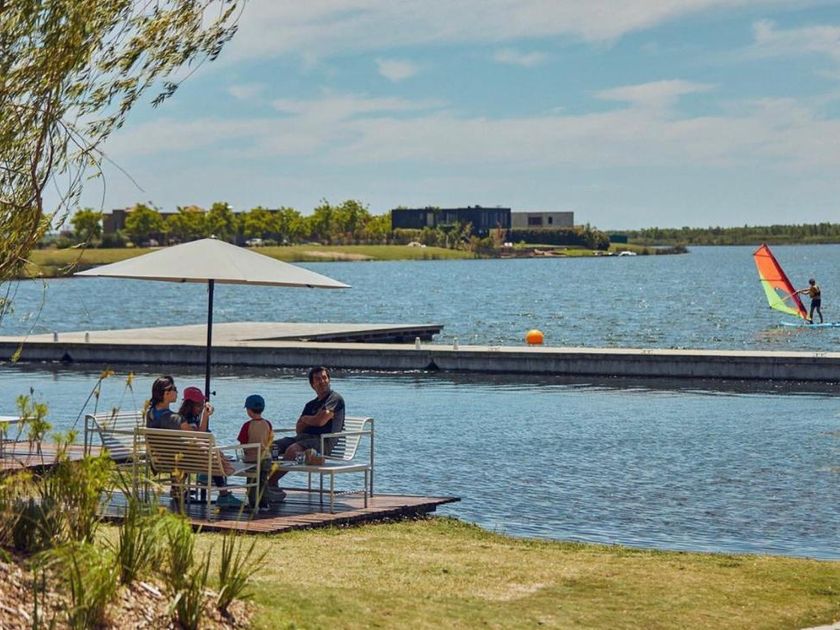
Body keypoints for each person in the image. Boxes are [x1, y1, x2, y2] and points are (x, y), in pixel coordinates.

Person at [145, 376, 242, 508]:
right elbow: (200, 436)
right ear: (166, 393)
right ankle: (222, 493)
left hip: (159, 460)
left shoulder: (149, 414)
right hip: (181, 462)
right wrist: (205, 415)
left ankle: (178, 490)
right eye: (174, 389)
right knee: (212, 453)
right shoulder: (176, 419)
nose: (177, 392)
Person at [267, 366, 345, 491]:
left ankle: (267, 484)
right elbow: (299, 428)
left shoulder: (335, 399)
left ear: (329, 380)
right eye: (318, 379)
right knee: (271, 447)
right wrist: (311, 418)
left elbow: (320, 421)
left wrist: (306, 419)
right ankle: (271, 485)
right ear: (312, 384)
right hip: (303, 438)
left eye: (324, 378)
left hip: (323, 442)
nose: (322, 381)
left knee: (293, 450)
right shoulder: (310, 405)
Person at [236, 394, 275, 508]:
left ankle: (253, 504)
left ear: (249, 410)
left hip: (252, 459)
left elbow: (243, 442)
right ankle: (264, 504)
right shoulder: (267, 424)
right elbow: (270, 439)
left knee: (252, 482)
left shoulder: (247, 425)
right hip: (266, 458)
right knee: (264, 481)